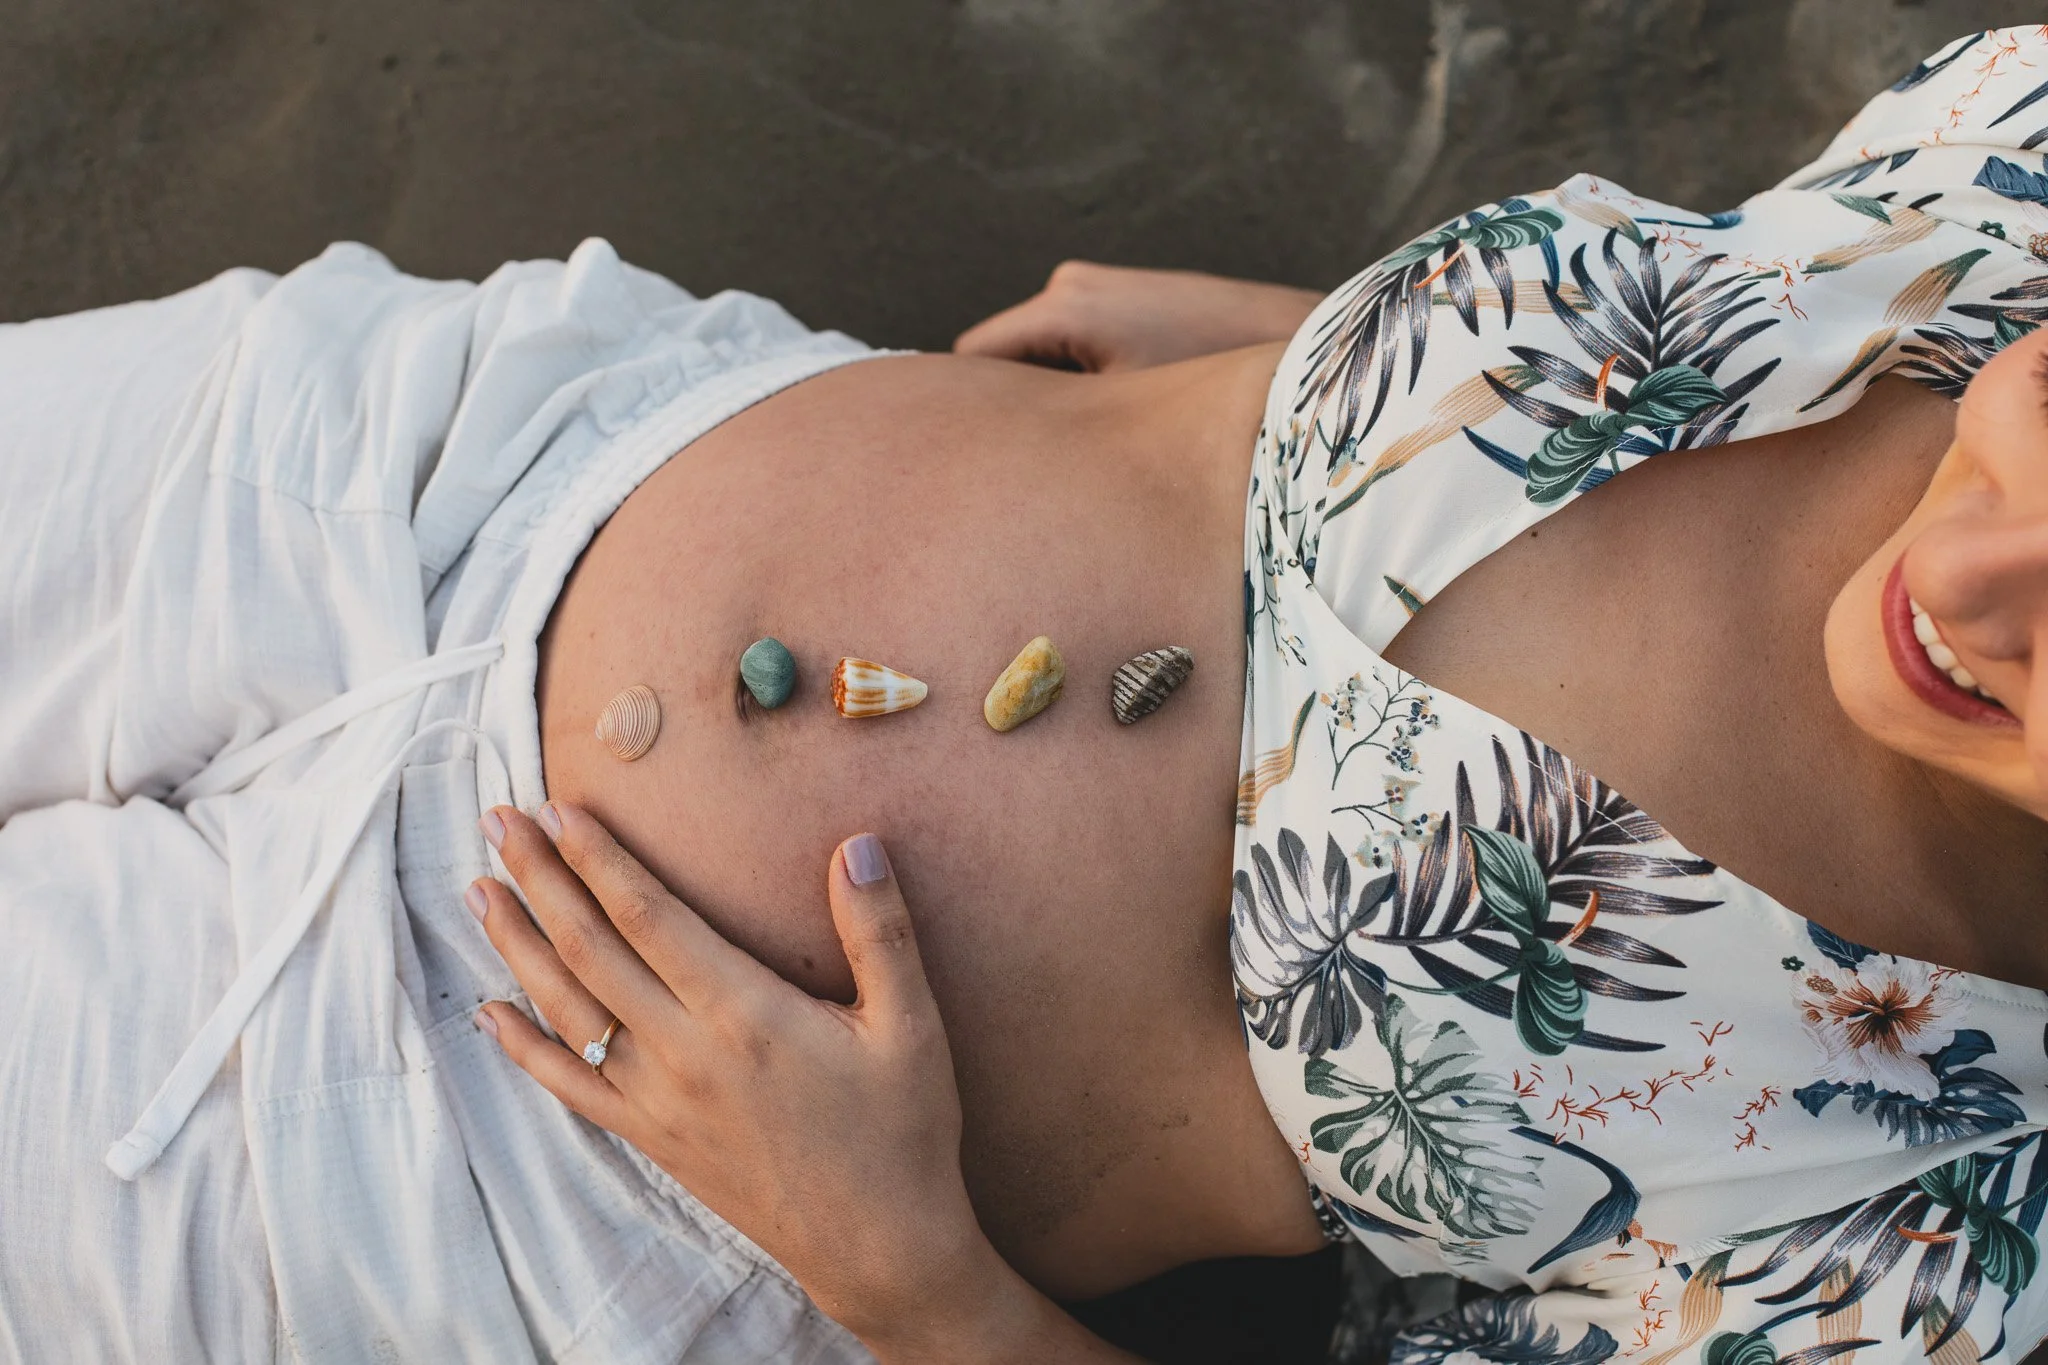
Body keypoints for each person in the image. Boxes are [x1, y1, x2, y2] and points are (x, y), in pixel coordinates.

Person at [1, 23, 2044, 1365]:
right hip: (457, 448)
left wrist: (907, 1274)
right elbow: (1726, 262)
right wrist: (1345, 363)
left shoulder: (1943, 1227)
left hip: (486, 1147)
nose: (1969, 579)